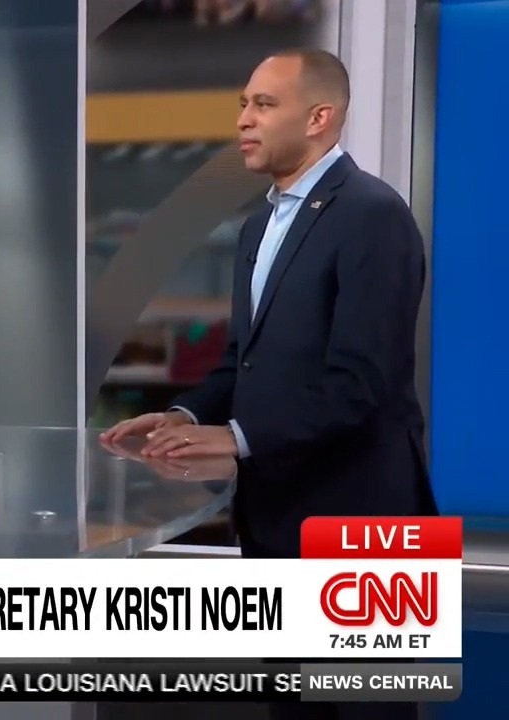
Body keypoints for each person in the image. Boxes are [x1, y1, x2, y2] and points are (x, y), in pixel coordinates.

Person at [101, 49, 435, 720]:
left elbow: (363, 383)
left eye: (263, 105)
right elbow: (242, 361)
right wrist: (184, 414)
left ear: (321, 117)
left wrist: (239, 438)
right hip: (279, 516)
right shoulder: (261, 225)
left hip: (365, 520)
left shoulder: (373, 214)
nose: (243, 121)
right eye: (242, 104)